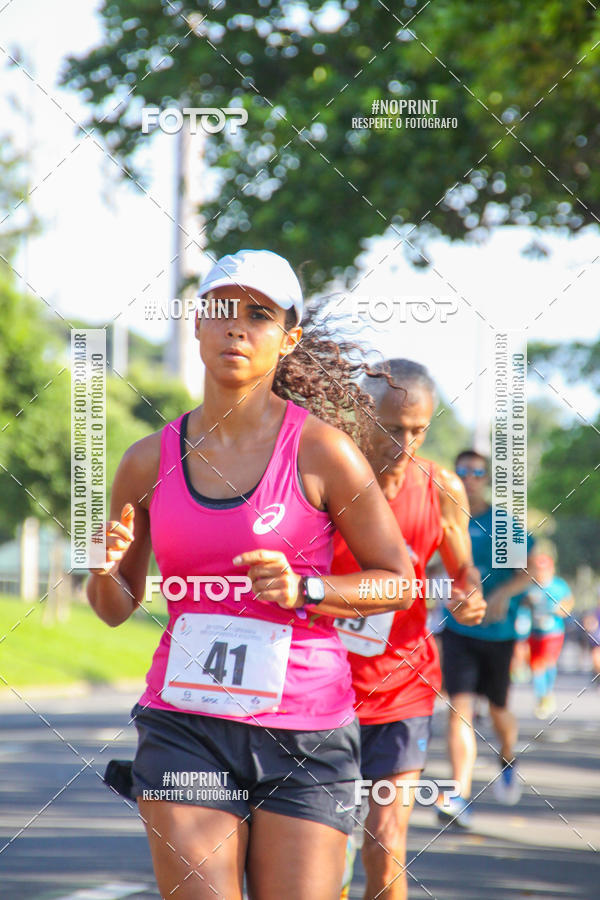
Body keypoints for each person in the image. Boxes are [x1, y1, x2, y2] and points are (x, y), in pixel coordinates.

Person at [87, 249, 417, 900]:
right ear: (197, 325)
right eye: (221, 310)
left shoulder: (323, 451)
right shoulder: (145, 459)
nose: (237, 327)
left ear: (288, 338)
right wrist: (101, 571)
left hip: (305, 729)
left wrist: (308, 589)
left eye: (259, 315)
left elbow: (398, 579)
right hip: (185, 723)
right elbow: (114, 605)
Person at [329, 360, 486, 900]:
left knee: (385, 840)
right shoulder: (325, 475)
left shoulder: (441, 487)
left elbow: (463, 575)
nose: (406, 442)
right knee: (321, 851)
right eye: (393, 428)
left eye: (418, 428)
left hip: (403, 686)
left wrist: (469, 600)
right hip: (321, 689)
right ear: (363, 415)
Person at [439, 450, 535, 825]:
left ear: (486, 478)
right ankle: (459, 795)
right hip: (458, 629)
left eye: (477, 471)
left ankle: (508, 756)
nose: (469, 477)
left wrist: (501, 594)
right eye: (462, 470)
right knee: (457, 710)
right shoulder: (446, 519)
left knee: (498, 711)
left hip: (499, 632)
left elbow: (529, 572)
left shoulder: (502, 523)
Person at [517, 553, 573, 718]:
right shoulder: (530, 586)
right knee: (535, 666)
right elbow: (522, 604)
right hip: (534, 632)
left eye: (544, 569)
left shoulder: (558, 585)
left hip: (553, 632)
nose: (541, 573)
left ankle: (546, 694)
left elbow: (568, 602)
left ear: (551, 569)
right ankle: (542, 696)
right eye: (538, 570)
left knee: (546, 663)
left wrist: (561, 609)